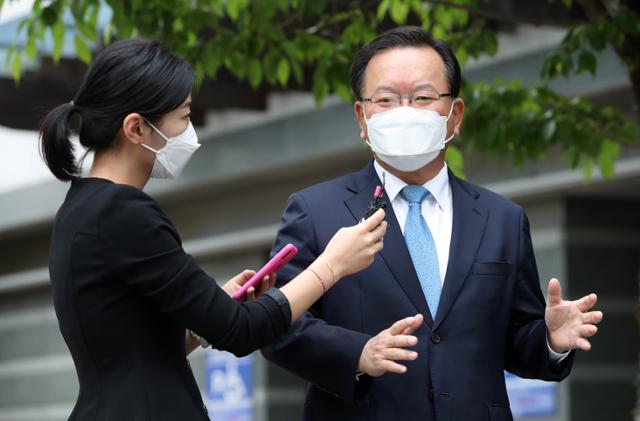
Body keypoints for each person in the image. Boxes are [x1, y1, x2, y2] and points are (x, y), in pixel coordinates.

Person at [262, 26, 603, 420]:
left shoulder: (502, 219)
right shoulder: (315, 210)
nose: (404, 113)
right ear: (362, 116)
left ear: (454, 115)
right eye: (386, 99)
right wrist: (358, 353)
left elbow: (510, 342)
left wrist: (550, 340)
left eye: (423, 98)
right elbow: (277, 325)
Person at [40, 39, 387, 421]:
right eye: (184, 116)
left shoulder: (77, 209)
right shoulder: (124, 211)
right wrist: (331, 267)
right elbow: (240, 332)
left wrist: (210, 313)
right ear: (136, 128)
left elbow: (131, 349)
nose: (189, 130)